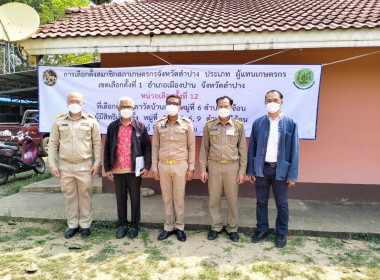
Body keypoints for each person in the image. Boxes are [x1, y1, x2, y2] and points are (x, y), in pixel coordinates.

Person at [247, 90, 299, 248]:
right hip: (262, 169)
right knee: (261, 202)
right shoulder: (258, 123)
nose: (272, 102)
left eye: (275, 100)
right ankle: (262, 229)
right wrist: (251, 170)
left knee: (282, 203)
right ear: (265, 103)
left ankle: (282, 232)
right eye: (268, 100)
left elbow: (295, 150)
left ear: (281, 102)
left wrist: (292, 174)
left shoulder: (290, 123)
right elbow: (252, 148)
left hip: (281, 171)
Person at [48, 92, 101, 239]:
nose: (75, 103)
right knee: (69, 196)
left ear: (83, 103)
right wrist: (52, 164)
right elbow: (52, 144)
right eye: (72, 101)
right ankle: (72, 225)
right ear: (67, 103)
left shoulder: (91, 121)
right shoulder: (59, 121)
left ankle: (85, 225)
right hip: (65, 165)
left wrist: (97, 163)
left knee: (85, 195)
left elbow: (97, 144)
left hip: (85, 165)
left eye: (78, 101)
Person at [199, 96, 247, 242]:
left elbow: (243, 150)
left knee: (232, 199)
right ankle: (215, 227)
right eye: (221, 106)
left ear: (231, 107)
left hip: (232, 166)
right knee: (214, 198)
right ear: (217, 107)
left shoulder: (238, 125)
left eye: (226, 106)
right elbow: (204, 149)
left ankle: (232, 228)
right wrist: (203, 169)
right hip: (214, 165)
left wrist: (242, 171)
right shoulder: (209, 125)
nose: (223, 108)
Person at [104, 96, 152, 239]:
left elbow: (147, 148)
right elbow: (107, 148)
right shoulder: (112, 127)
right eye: (123, 107)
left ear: (133, 109)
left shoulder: (140, 126)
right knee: (120, 198)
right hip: (117, 169)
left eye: (129, 107)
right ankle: (123, 225)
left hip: (134, 170)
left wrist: (147, 166)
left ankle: (134, 226)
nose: (126, 109)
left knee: (135, 198)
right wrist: (107, 168)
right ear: (118, 109)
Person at [152, 94, 195, 242]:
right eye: (169, 103)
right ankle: (168, 227)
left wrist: (191, 168)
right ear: (165, 105)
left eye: (175, 103)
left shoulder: (187, 124)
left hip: (180, 165)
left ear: (180, 106)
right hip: (163, 165)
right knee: (167, 198)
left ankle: (180, 227)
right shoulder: (159, 124)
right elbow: (155, 147)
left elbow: (191, 147)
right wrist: (154, 167)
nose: (172, 105)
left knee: (179, 198)